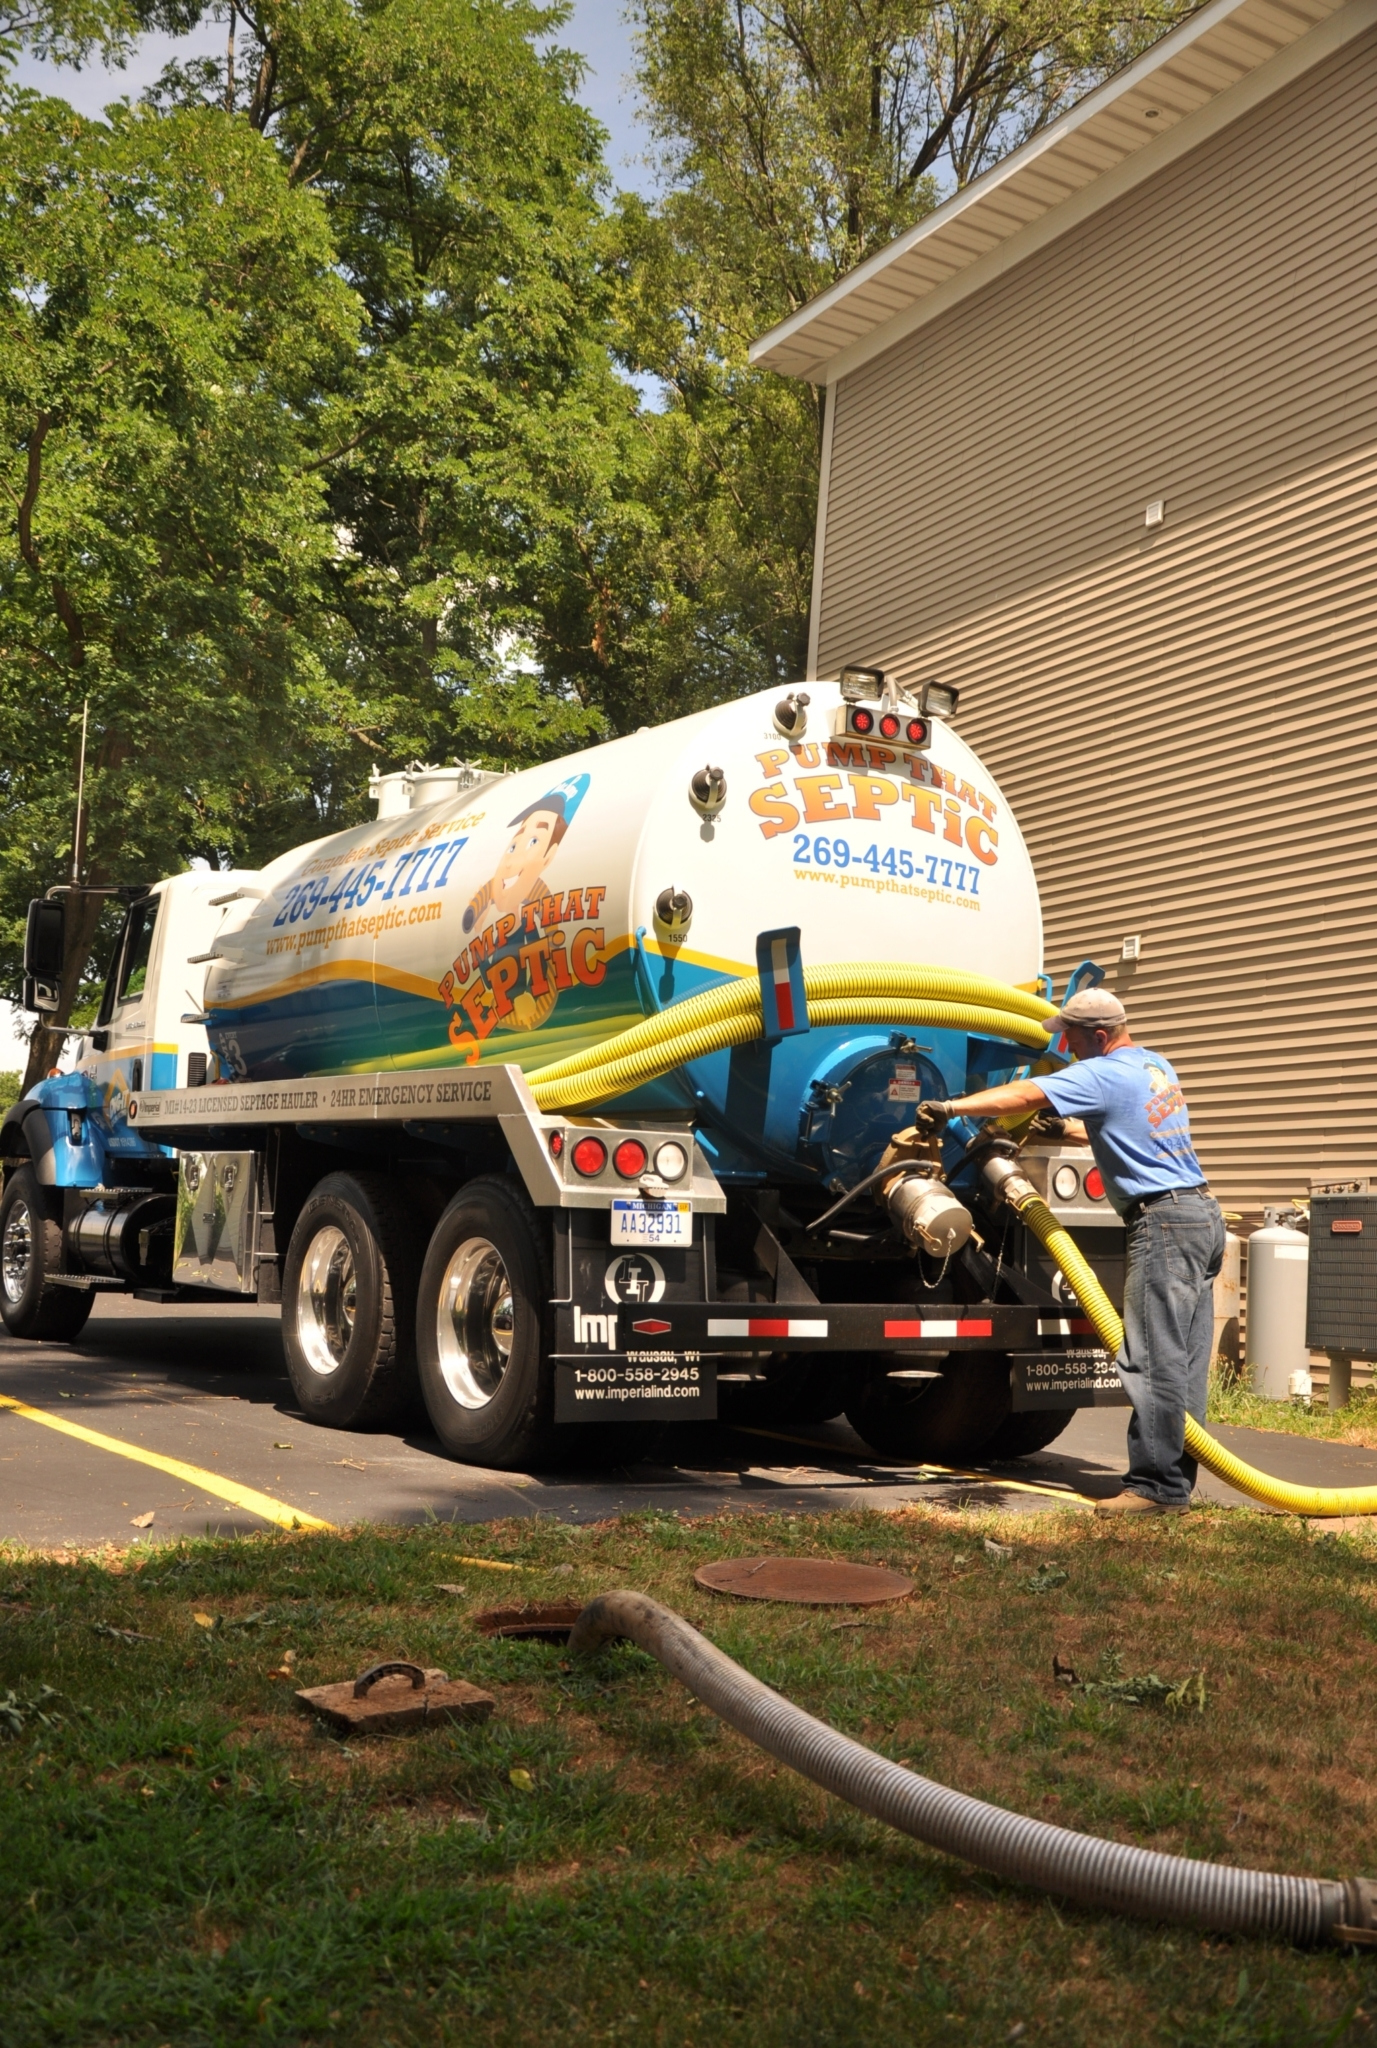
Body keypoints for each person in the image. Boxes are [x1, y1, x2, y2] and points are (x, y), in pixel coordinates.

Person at [912, 987, 1224, 1515]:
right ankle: (1175, 1484)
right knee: (1184, 1361)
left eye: (1072, 1037)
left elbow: (1024, 1095)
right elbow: (1125, 1123)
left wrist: (950, 1107)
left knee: (1152, 1358)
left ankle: (1155, 1489)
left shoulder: (1101, 1071)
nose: (1067, 1045)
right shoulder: (1153, 1066)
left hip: (1163, 1223)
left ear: (1099, 1036)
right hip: (1201, 1216)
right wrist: (1065, 1127)